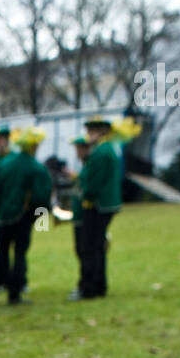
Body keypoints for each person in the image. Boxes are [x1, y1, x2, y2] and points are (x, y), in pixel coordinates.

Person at [0, 127, 51, 305]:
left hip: (1, 218)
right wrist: (40, 221)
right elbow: (41, 197)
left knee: (1, 253)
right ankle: (14, 293)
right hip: (22, 217)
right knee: (20, 254)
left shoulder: (4, 163)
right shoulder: (35, 167)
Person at [72, 116, 121, 301]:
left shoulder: (100, 152)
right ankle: (100, 285)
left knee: (90, 247)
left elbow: (94, 183)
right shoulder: (108, 149)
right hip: (105, 205)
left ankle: (89, 288)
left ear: (101, 132)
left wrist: (84, 195)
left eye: (92, 131)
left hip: (97, 206)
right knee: (98, 247)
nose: (89, 135)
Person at [67, 135, 91, 299]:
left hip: (85, 216)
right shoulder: (85, 166)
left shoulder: (90, 165)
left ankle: (86, 285)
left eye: (80, 148)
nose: (77, 152)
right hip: (78, 215)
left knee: (85, 250)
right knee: (81, 250)